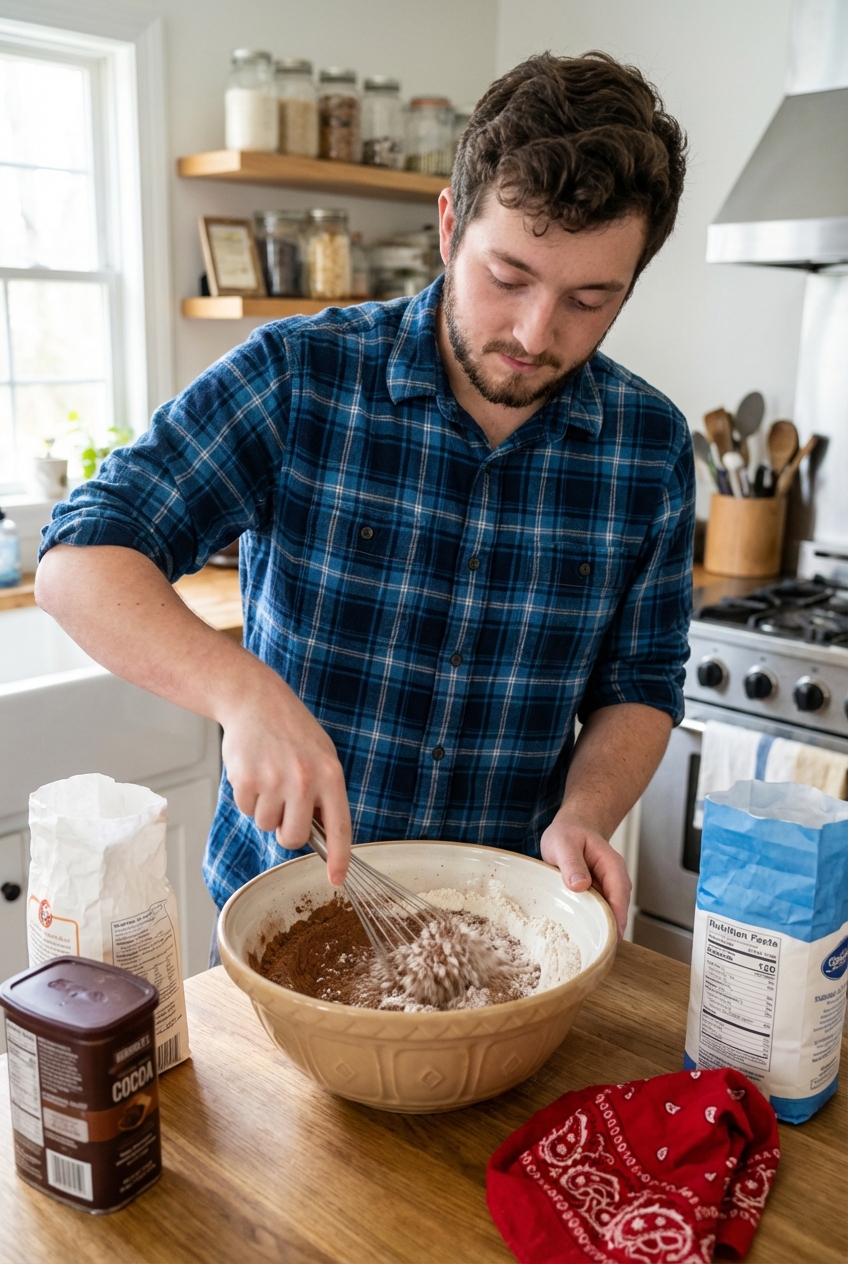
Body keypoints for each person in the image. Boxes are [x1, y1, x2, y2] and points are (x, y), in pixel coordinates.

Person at [36, 51, 693, 943]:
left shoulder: (647, 446)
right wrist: (244, 693)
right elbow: (78, 563)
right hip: (286, 911)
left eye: (589, 297)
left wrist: (588, 810)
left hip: (505, 921)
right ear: (450, 225)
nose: (537, 334)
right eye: (508, 278)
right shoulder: (299, 375)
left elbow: (640, 686)